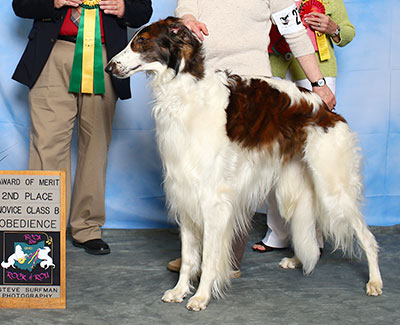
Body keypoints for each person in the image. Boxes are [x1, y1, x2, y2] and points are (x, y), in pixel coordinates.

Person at [167, 0, 336, 276]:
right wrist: (187, 19)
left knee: (237, 178)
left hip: (250, 88)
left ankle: (228, 260)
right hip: (202, 81)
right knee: (193, 174)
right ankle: (194, 256)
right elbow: (186, 8)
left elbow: (294, 31)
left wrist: (319, 84)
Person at [12, 0, 152, 255]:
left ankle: (87, 228)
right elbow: (21, 5)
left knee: (96, 145)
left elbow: (143, 10)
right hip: (52, 54)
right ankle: (42, 230)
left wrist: (124, 8)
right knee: (47, 146)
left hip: (104, 56)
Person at [253, 0, 355, 253]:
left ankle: (314, 237)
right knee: (275, 153)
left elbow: (347, 32)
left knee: (315, 157)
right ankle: (278, 233)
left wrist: (333, 29)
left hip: (318, 70)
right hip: (274, 66)